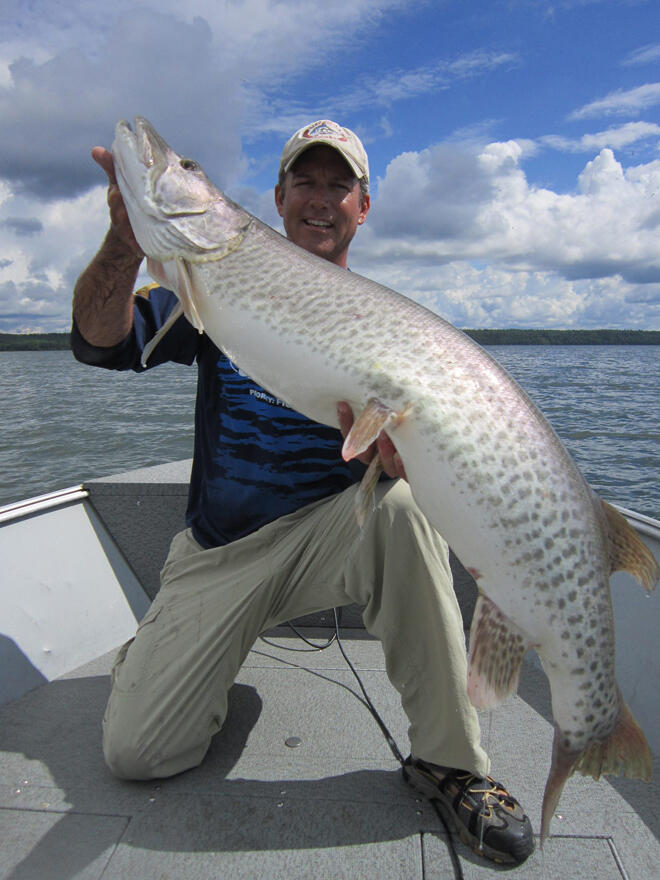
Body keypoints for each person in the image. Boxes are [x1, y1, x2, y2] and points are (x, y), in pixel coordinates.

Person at [71, 119, 534, 865]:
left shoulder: (390, 328)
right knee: (138, 755)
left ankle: (452, 764)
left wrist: (405, 458)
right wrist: (127, 241)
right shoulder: (206, 279)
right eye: (306, 183)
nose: (321, 201)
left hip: (334, 537)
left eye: (338, 186)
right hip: (221, 551)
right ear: (278, 197)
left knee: (408, 509)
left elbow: (429, 462)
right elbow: (100, 344)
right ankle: (162, 651)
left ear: (363, 206)